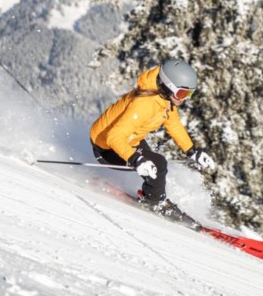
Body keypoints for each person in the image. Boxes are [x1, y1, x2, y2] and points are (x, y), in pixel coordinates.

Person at [90, 59, 216, 219]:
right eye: (182, 93)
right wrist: (135, 159)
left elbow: (174, 125)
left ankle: (153, 196)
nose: (184, 99)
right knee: (158, 164)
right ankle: (155, 203)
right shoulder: (145, 104)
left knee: (153, 168)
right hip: (106, 147)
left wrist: (192, 151)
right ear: (169, 86)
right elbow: (113, 136)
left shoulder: (164, 100)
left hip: (129, 139)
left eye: (189, 94)